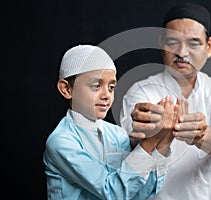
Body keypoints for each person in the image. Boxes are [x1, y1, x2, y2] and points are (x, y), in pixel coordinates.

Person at [120, 3, 211, 200]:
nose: (182, 53)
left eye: (193, 43)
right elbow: (131, 141)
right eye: (172, 42)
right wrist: (148, 129)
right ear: (161, 43)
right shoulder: (141, 91)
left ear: (209, 46)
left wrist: (201, 135)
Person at [43, 44, 178, 200]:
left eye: (111, 87)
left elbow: (140, 193)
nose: (106, 95)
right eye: (96, 86)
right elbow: (113, 192)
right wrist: (149, 143)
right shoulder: (62, 142)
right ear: (67, 89)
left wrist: (163, 141)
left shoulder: (117, 134)